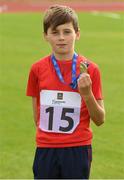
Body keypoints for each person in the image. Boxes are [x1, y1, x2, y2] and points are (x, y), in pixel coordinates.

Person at [26, 4, 105, 179]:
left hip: (78, 149)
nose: (61, 38)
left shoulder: (91, 69)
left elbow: (100, 119)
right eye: (55, 32)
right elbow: (37, 117)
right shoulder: (37, 69)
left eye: (67, 31)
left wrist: (87, 94)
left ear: (77, 33)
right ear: (45, 36)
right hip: (46, 149)